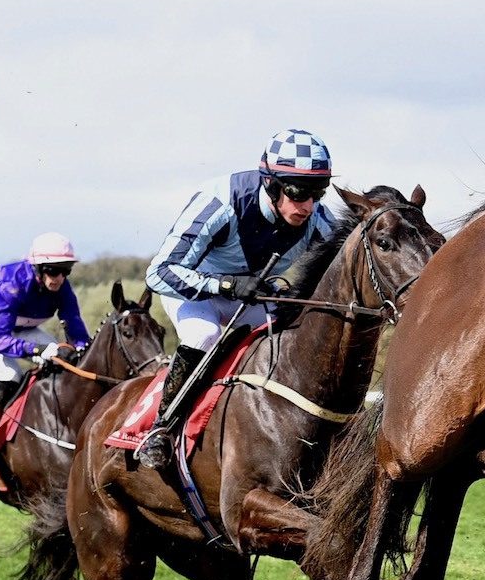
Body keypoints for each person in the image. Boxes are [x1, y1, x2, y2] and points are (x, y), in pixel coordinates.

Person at [137, 129, 337, 470]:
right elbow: (158, 274)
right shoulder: (220, 203)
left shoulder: (317, 219)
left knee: (295, 332)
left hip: (252, 292)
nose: (307, 205)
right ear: (271, 184)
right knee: (204, 334)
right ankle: (161, 428)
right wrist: (225, 285)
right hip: (194, 290)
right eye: (298, 192)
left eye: (318, 192)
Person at [0, 233, 91, 466]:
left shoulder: (62, 287)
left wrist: (82, 348)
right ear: (38, 268)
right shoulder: (11, 283)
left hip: (23, 329)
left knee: (64, 361)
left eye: (66, 270)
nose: (59, 278)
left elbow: (74, 323)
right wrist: (37, 350)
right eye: (53, 270)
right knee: (9, 374)